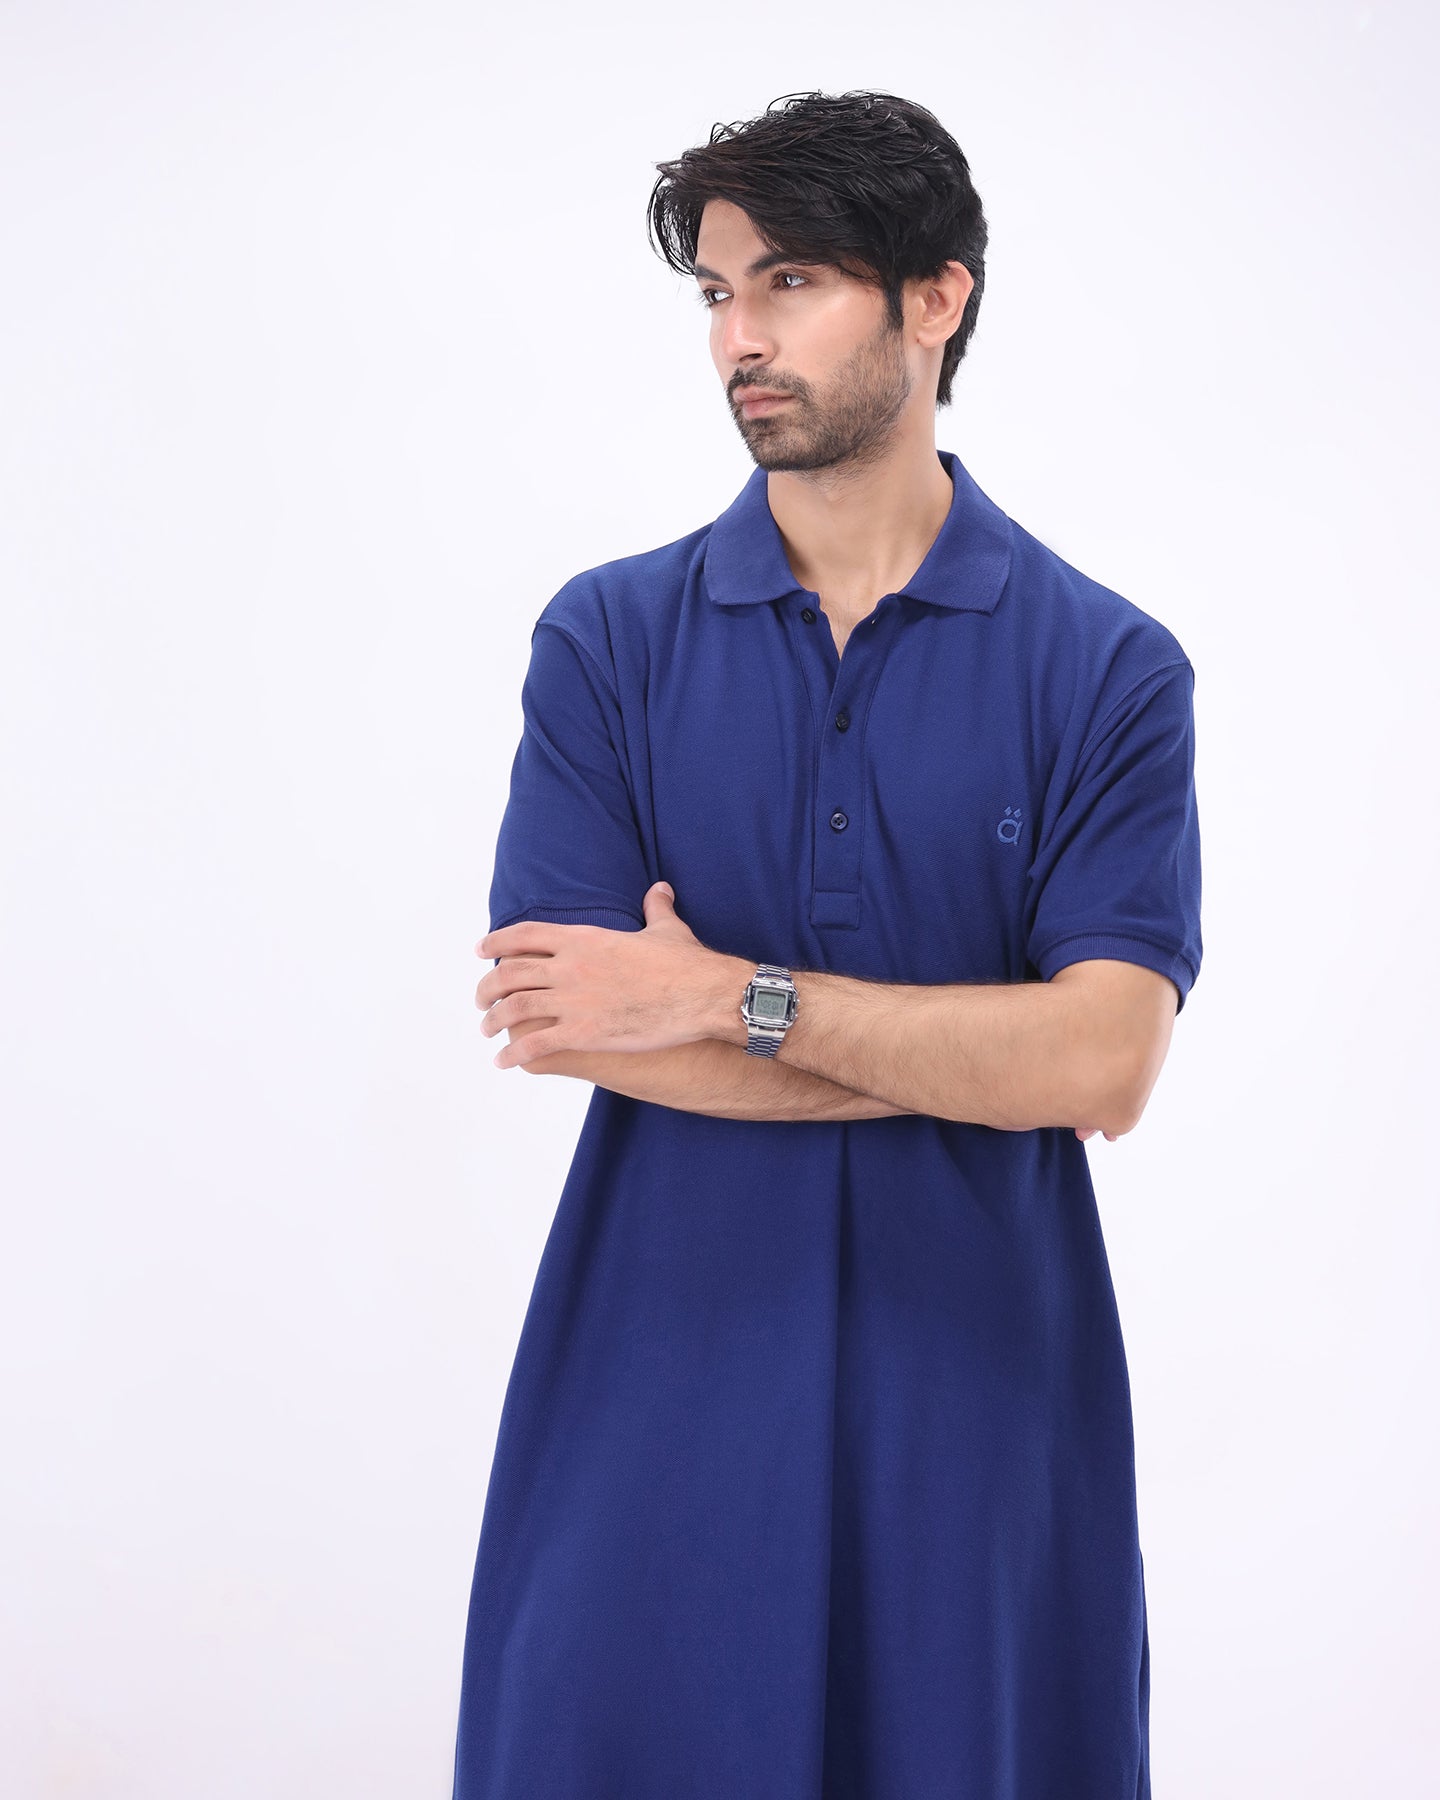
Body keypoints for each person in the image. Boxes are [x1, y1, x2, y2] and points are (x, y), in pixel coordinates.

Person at [452, 88, 1201, 1800]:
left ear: (937, 298)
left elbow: (1106, 1063)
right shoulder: (610, 640)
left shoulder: (1106, 669)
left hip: (982, 1422)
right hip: (653, 1392)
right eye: (719, 293)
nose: (740, 338)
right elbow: (565, 1017)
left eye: (790, 282)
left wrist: (726, 999)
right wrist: (984, 1056)